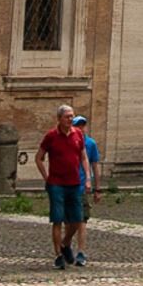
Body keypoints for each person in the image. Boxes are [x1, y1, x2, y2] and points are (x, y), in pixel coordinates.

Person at [35, 105, 87, 269]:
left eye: (72, 116)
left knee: (77, 219)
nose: (70, 119)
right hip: (56, 184)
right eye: (67, 117)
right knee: (57, 220)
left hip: (74, 183)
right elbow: (39, 158)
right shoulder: (51, 136)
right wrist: (46, 177)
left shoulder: (78, 134)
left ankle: (65, 243)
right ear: (59, 119)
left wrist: (87, 178)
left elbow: (83, 157)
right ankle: (58, 255)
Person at [72, 114, 103, 209]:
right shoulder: (68, 142)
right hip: (69, 184)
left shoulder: (90, 143)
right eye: (78, 126)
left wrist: (97, 189)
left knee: (83, 214)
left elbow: (95, 166)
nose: (81, 128)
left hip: (83, 184)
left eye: (83, 126)